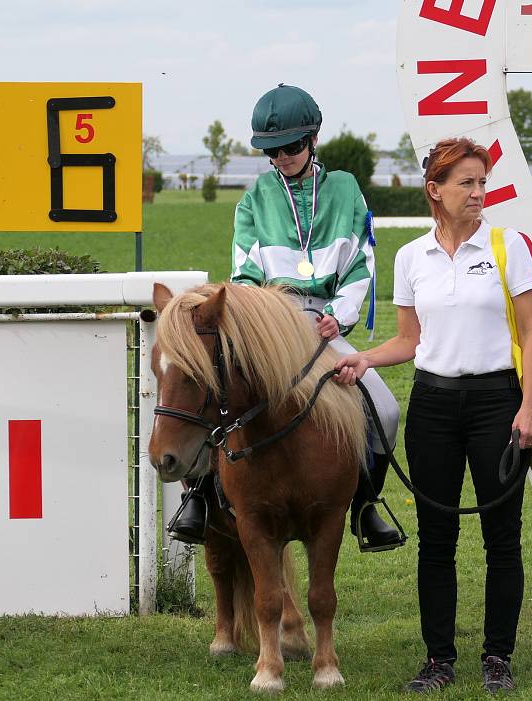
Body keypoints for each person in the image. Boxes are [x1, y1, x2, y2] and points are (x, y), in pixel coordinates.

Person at [333, 137, 532, 694]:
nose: (478, 192)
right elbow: (409, 340)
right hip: (433, 406)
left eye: (481, 182)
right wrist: (362, 358)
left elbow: (531, 334)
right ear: (435, 191)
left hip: (498, 404)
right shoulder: (410, 257)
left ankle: (498, 656)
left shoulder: (510, 246)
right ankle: (438, 660)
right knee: (436, 538)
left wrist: (526, 408)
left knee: (504, 539)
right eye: (466, 183)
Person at [170, 84, 404, 553]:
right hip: (267, 325)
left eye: (293, 146)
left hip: (323, 322)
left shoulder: (344, 189)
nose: (284, 157)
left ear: (313, 140)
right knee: (217, 395)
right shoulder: (254, 198)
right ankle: (198, 498)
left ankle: (366, 505)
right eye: (272, 151)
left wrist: (340, 314)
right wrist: (262, 322)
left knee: (385, 407)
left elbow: (360, 262)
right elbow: (244, 271)